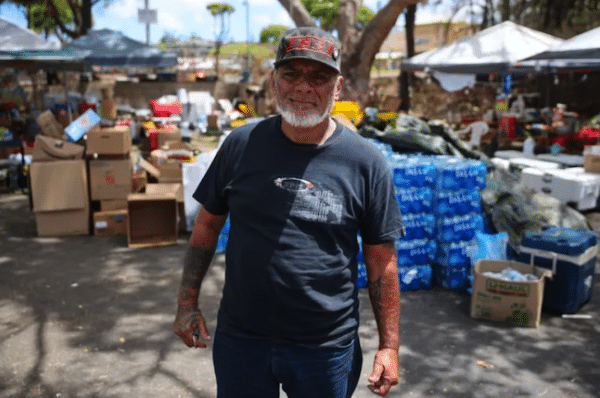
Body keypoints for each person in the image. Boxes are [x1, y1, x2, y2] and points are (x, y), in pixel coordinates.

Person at [173, 26, 405, 398]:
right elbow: (206, 225)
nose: (303, 87)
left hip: (325, 347)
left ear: (338, 87)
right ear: (273, 80)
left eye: (319, 77)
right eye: (291, 74)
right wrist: (187, 304)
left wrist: (389, 346)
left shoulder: (366, 162)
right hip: (242, 341)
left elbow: (382, 261)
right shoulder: (240, 145)